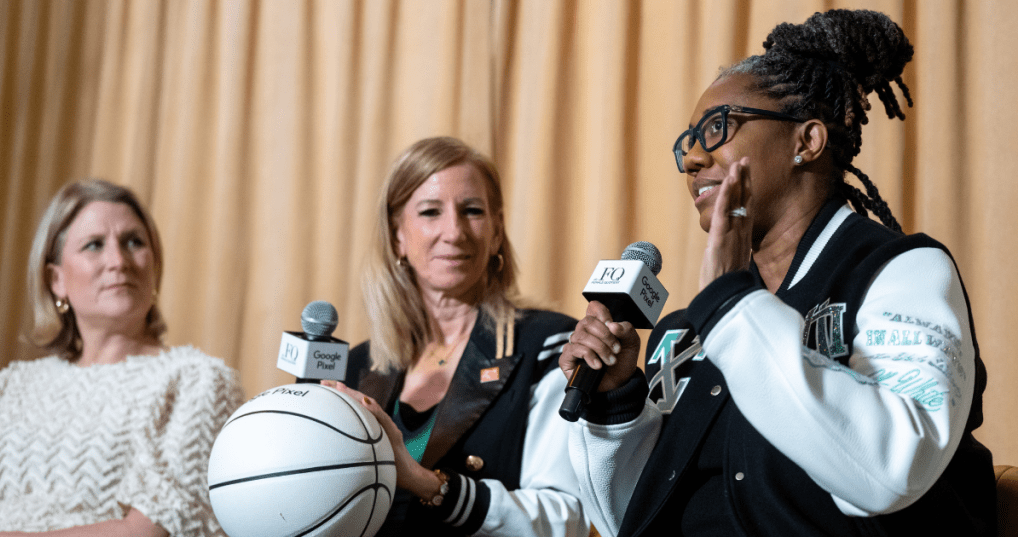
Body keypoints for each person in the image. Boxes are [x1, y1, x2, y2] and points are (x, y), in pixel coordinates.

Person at [562, 9, 995, 537]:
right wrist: (615, 402)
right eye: (687, 142)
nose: (693, 158)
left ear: (806, 142)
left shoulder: (903, 273)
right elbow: (631, 520)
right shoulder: (686, 332)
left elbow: (893, 469)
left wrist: (730, 304)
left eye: (717, 128)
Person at [324, 136, 588, 536]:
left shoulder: (551, 346)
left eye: (473, 211)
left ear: (497, 231)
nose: (455, 231)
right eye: (430, 212)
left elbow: (566, 518)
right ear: (398, 236)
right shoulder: (355, 366)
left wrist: (430, 485)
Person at [0, 180, 245, 537]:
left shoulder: (197, 381)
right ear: (56, 280)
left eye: (134, 242)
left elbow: (148, 532)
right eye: (94, 245)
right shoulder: (6, 388)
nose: (118, 261)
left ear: (154, 266)